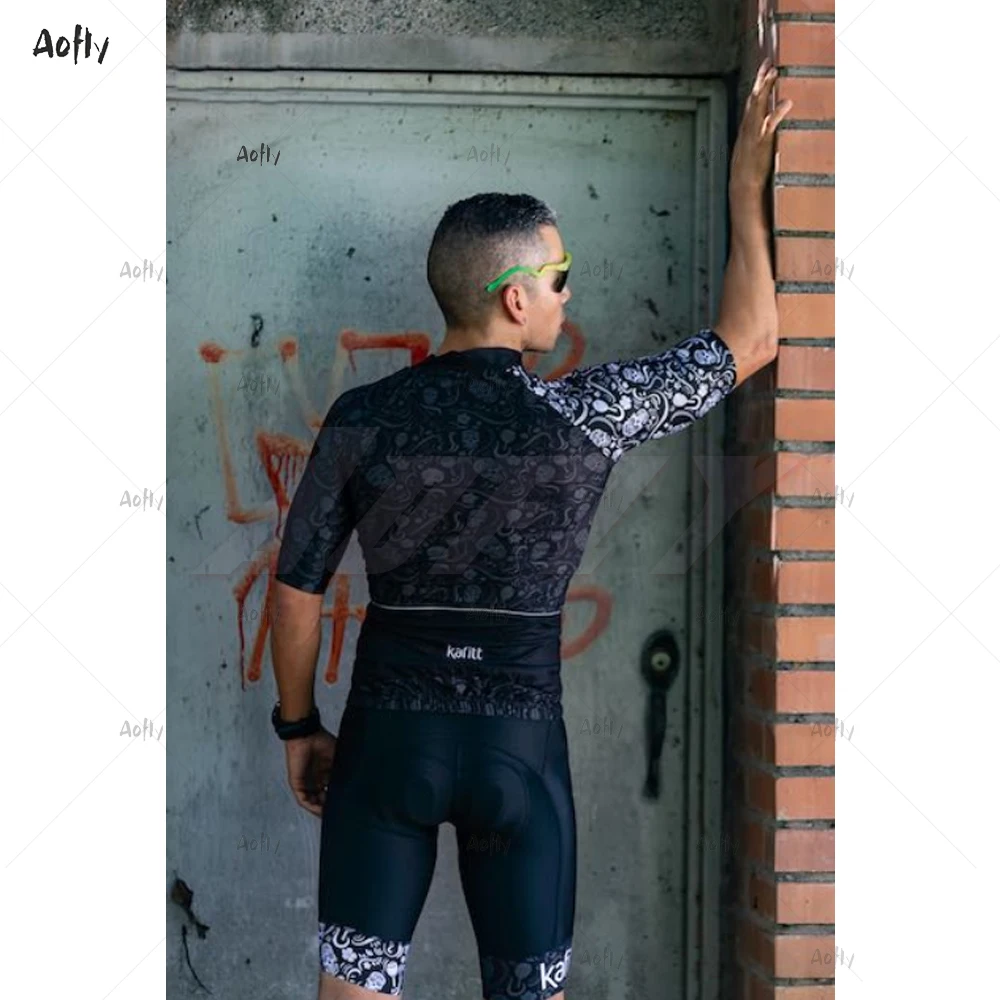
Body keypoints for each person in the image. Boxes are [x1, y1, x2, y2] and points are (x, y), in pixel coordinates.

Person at [269, 57, 792, 1000]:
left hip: (387, 739)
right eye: (561, 279)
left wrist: (299, 725)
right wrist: (745, 187)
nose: (567, 297)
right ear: (516, 297)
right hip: (519, 748)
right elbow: (753, 340)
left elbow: (297, 588)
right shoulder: (585, 415)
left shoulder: (362, 417)